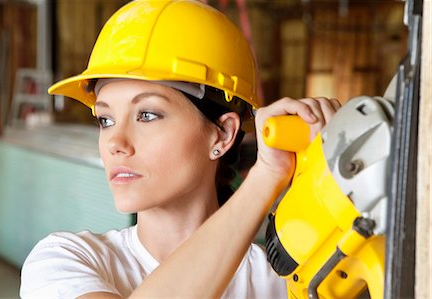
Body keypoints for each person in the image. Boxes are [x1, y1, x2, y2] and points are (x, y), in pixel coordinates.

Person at [20, 1, 340, 298]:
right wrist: (266, 177)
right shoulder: (64, 262)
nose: (115, 143)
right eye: (105, 119)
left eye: (146, 115)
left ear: (223, 134)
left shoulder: (283, 281)